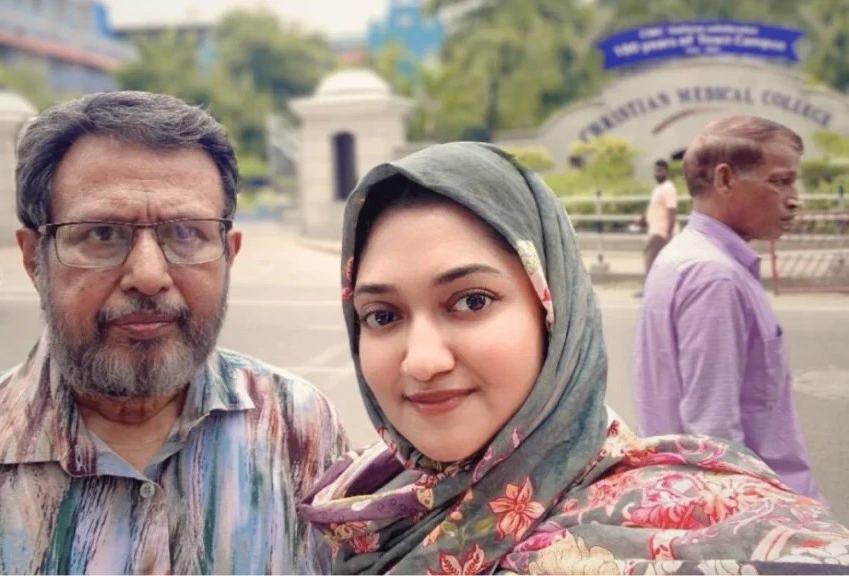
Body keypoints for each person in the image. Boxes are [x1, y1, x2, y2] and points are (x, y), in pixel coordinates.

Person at [0, 92, 348, 574]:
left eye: (186, 232)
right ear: (33, 258)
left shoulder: (301, 429)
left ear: (229, 254)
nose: (149, 275)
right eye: (102, 234)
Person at [298, 142, 848, 575]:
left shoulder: (713, 527)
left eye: (471, 301)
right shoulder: (364, 502)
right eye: (382, 316)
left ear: (554, 313)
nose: (421, 361)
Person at [632, 116, 828, 508]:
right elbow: (715, 439)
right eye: (780, 181)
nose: (794, 197)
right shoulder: (713, 277)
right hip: (763, 513)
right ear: (724, 180)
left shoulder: (685, 256)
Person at [634, 159, 680, 297]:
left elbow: (672, 211)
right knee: (656, 260)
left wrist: (668, 234)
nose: (657, 174)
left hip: (661, 232)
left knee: (649, 256)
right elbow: (653, 208)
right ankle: (659, 288)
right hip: (656, 230)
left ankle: (649, 290)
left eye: (660, 171)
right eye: (655, 171)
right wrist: (641, 220)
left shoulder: (668, 188)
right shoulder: (659, 188)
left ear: (666, 172)